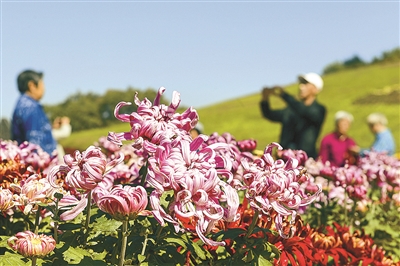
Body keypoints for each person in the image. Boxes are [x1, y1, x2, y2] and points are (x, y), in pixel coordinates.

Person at [260, 72, 326, 158]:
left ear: (316, 90)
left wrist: (284, 95)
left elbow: (304, 111)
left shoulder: (319, 110)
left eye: (306, 84)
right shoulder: (291, 110)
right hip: (285, 159)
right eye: (301, 83)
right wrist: (265, 98)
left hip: (306, 160)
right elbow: (269, 114)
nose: (301, 87)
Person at [11, 70, 57, 154]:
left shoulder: (22, 104)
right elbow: (35, 141)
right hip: (40, 164)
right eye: (42, 84)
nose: (44, 88)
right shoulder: (31, 106)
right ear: (31, 85)